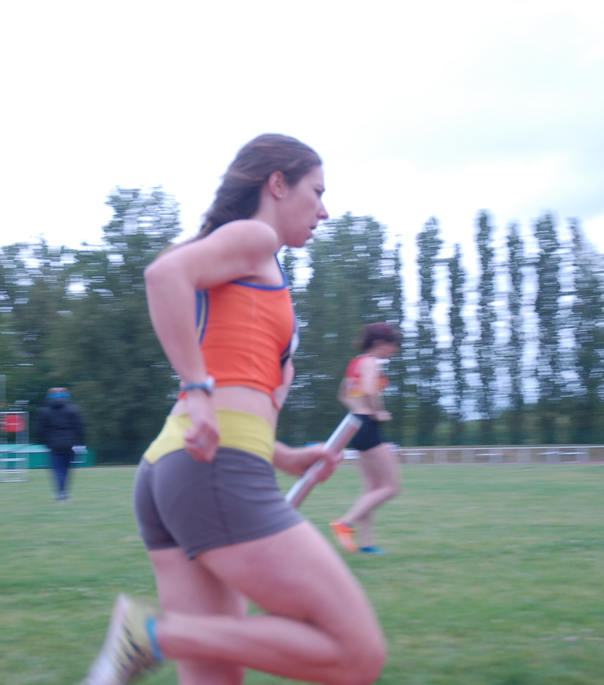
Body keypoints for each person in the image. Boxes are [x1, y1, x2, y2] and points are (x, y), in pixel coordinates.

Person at [80, 134, 386, 685]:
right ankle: (153, 636)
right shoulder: (256, 236)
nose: (324, 210)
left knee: (214, 680)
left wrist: (284, 455)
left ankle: (155, 637)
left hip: (176, 469)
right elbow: (164, 276)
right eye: (317, 191)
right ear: (277, 184)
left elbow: (239, 391)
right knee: (356, 651)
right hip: (211, 472)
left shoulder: (251, 263)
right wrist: (198, 389)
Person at [329, 323, 402, 554]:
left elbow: (343, 395)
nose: (394, 350)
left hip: (356, 426)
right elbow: (369, 391)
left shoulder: (356, 363)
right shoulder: (371, 362)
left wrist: (358, 411)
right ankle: (345, 523)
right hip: (368, 427)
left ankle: (367, 543)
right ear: (379, 343)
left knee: (372, 488)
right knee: (391, 487)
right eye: (391, 345)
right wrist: (377, 412)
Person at [36, 387, 85, 501]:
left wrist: (44, 443)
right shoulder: (73, 410)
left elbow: (40, 429)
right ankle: (63, 492)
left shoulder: (44, 411)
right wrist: (80, 443)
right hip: (70, 444)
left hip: (54, 445)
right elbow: (79, 428)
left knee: (57, 470)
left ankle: (60, 492)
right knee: (67, 470)